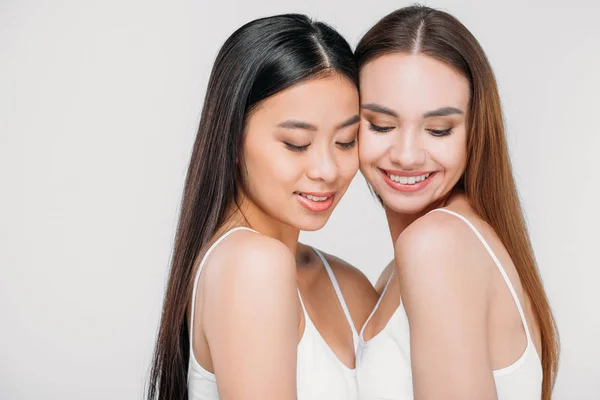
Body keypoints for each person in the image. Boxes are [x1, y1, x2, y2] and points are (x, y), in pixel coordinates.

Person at [147, 13, 378, 400]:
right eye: (296, 143)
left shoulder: (346, 283)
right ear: (233, 138)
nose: (327, 170)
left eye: (346, 141)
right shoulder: (251, 265)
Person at [354, 5, 559, 400]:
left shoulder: (436, 246)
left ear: (474, 133)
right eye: (381, 125)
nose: (408, 154)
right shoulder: (400, 269)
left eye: (438, 130)